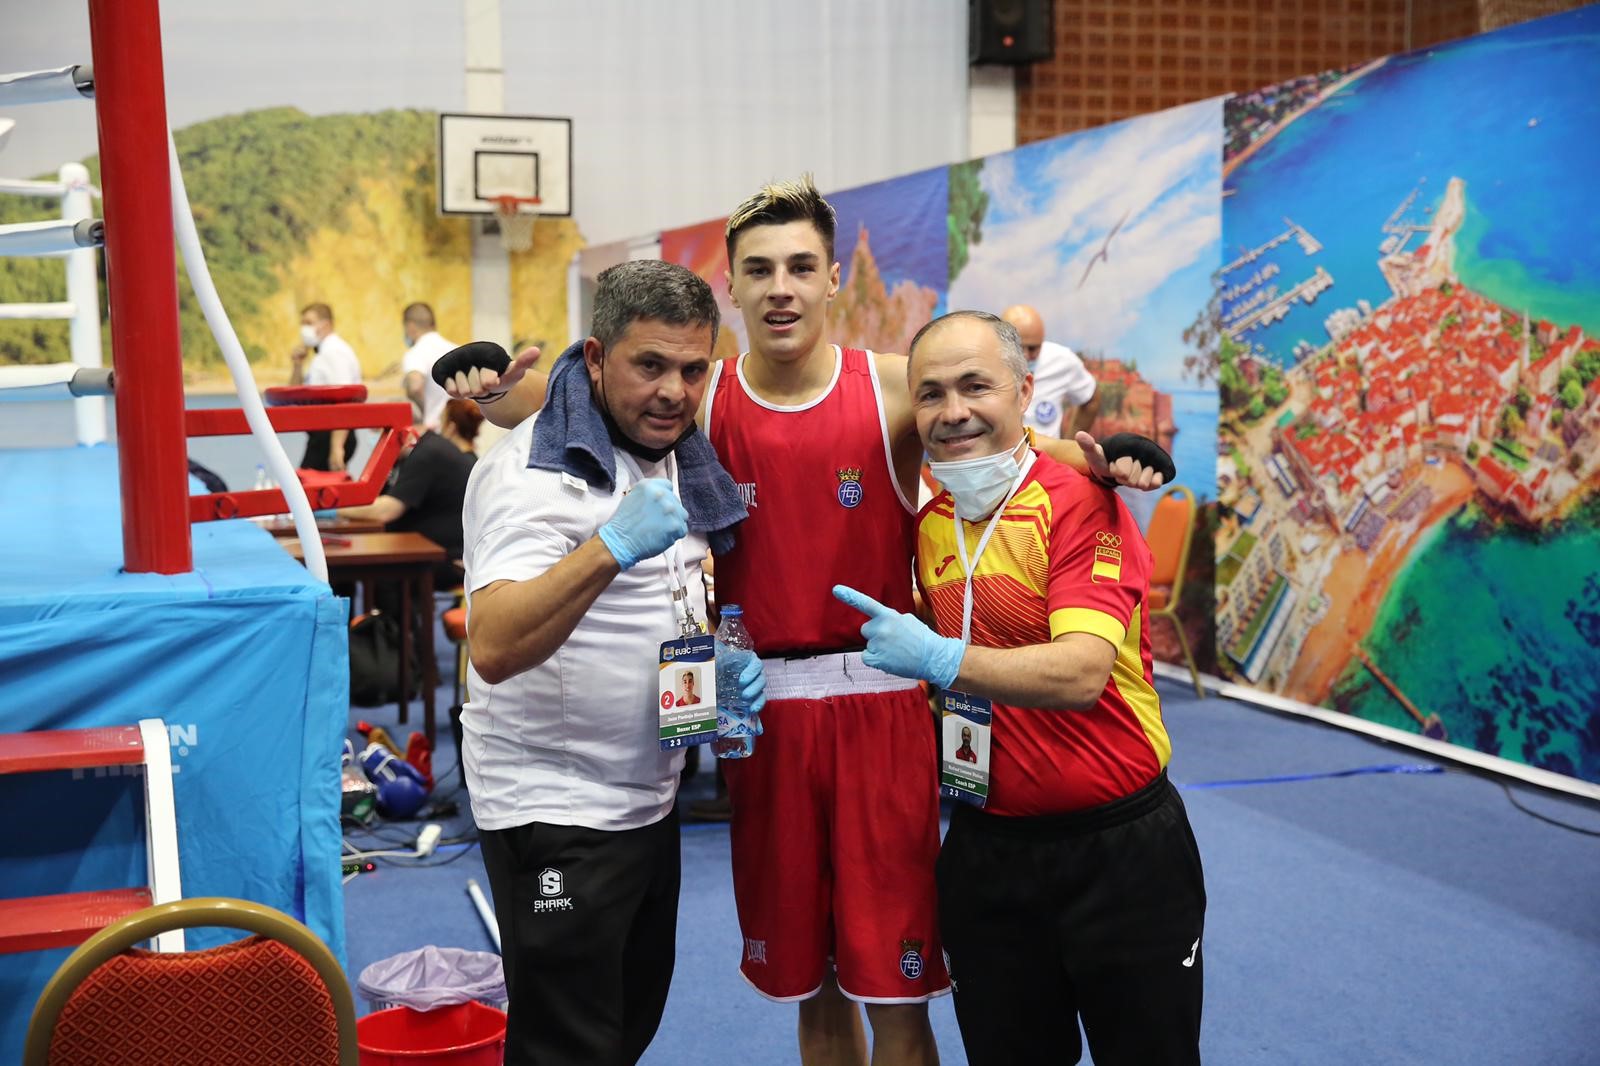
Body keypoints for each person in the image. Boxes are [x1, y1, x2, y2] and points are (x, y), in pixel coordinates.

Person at [446, 176, 1171, 1066]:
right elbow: (578, 396)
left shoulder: (893, 387)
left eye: (799, 267)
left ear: (833, 278)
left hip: (883, 711)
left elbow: (998, 430)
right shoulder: (703, 393)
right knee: (809, 984)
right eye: (759, 270)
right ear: (734, 287)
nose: (780, 288)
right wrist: (489, 388)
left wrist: (1106, 461)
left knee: (896, 990)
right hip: (760, 723)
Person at [834, 310, 1206, 1066]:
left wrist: (940, 659)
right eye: (931, 394)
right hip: (986, 851)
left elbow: (1081, 672)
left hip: (1120, 851)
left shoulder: (1080, 501)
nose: (954, 411)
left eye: (976, 386)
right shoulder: (931, 523)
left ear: (1026, 392)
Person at [458, 259, 763, 1066]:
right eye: (649, 365)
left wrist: (719, 670)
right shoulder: (529, 475)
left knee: (625, 1027)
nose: (672, 391)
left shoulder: (681, 455)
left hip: (646, 799)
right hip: (555, 808)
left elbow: (668, 602)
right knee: (568, 1045)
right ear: (595, 358)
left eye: (692, 370)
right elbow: (494, 645)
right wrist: (608, 548)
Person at [339, 401, 477, 589]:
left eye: (381, 435)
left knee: (376, 575)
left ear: (401, 429)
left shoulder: (428, 453)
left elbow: (386, 511)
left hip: (445, 557)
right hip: (424, 548)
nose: (378, 443)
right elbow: (378, 497)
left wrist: (335, 509)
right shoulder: (414, 452)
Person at [1001, 304, 1100, 438]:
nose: (1025, 355)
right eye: (1017, 347)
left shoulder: (1062, 360)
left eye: (1033, 348)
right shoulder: (985, 360)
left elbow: (1090, 398)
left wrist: (1069, 444)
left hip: (1045, 449)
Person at [288, 302, 363, 471]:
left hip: (332, 435)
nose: (304, 329)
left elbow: (345, 398)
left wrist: (337, 447)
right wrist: (298, 365)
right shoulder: (321, 354)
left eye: (309, 323)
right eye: (302, 323)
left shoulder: (334, 352)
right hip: (321, 435)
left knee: (304, 484)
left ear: (326, 325)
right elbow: (293, 396)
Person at [401, 302, 457, 431]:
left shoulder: (416, 352)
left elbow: (415, 386)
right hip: (460, 430)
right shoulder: (456, 349)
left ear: (410, 326)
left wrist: (423, 416)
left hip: (434, 429)